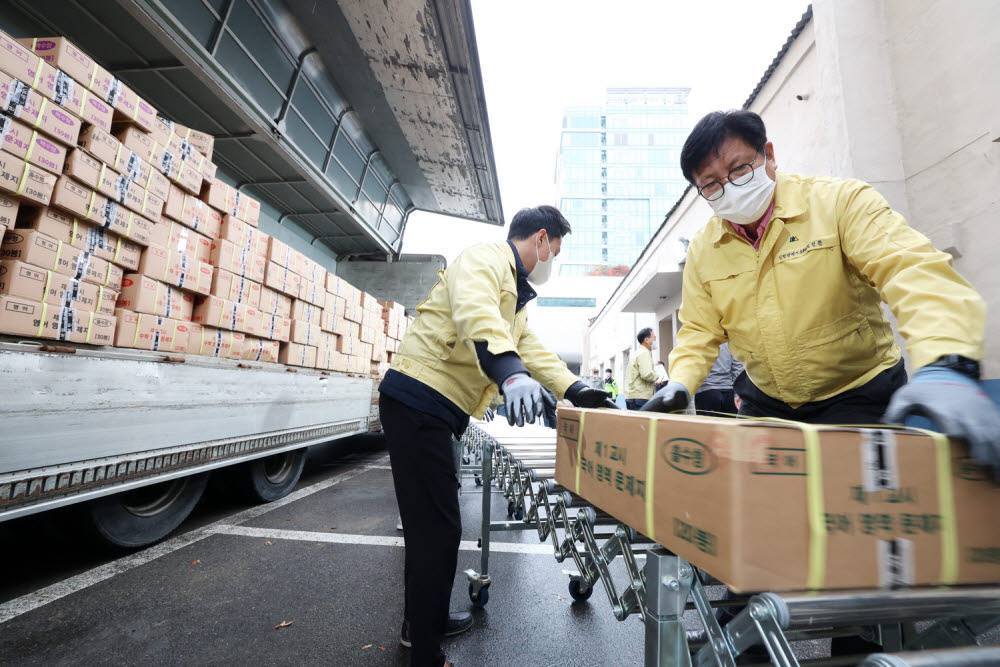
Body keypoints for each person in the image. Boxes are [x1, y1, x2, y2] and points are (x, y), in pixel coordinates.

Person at [642, 109, 1000, 655]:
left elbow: (912, 270)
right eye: (711, 184)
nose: (729, 189)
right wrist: (681, 381)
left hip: (858, 395)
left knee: (856, 556)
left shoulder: (837, 203)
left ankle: (860, 652)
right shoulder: (705, 250)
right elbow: (697, 329)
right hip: (767, 405)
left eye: (740, 169)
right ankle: (744, 648)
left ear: (769, 156)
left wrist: (945, 362)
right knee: (754, 543)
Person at [378, 205, 616, 667]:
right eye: (557, 250)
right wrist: (509, 375)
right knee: (438, 531)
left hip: (433, 409)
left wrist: (577, 389)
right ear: (541, 239)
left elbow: (529, 348)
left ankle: (420, 621)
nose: (554, 260)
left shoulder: (517, 297)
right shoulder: (484, 259)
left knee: (433, 529)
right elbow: (477, 314)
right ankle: (425, 653)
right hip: (418, 400)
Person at [694, 342, 743, 416]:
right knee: (729, 426)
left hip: (706, 391)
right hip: (729, 393)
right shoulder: (730, 342)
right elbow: (738, 368)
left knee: (707, 426)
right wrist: (738, 394)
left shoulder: (699, 340)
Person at [625, 327, 657, 410]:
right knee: (644, 423)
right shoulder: (644, 353)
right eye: (654, 338)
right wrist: (657, 377)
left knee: (634, 422)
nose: (655, 341)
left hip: (632, 395)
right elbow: (647, 374)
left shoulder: (636, 353)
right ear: (646, 340)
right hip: (641, 397)